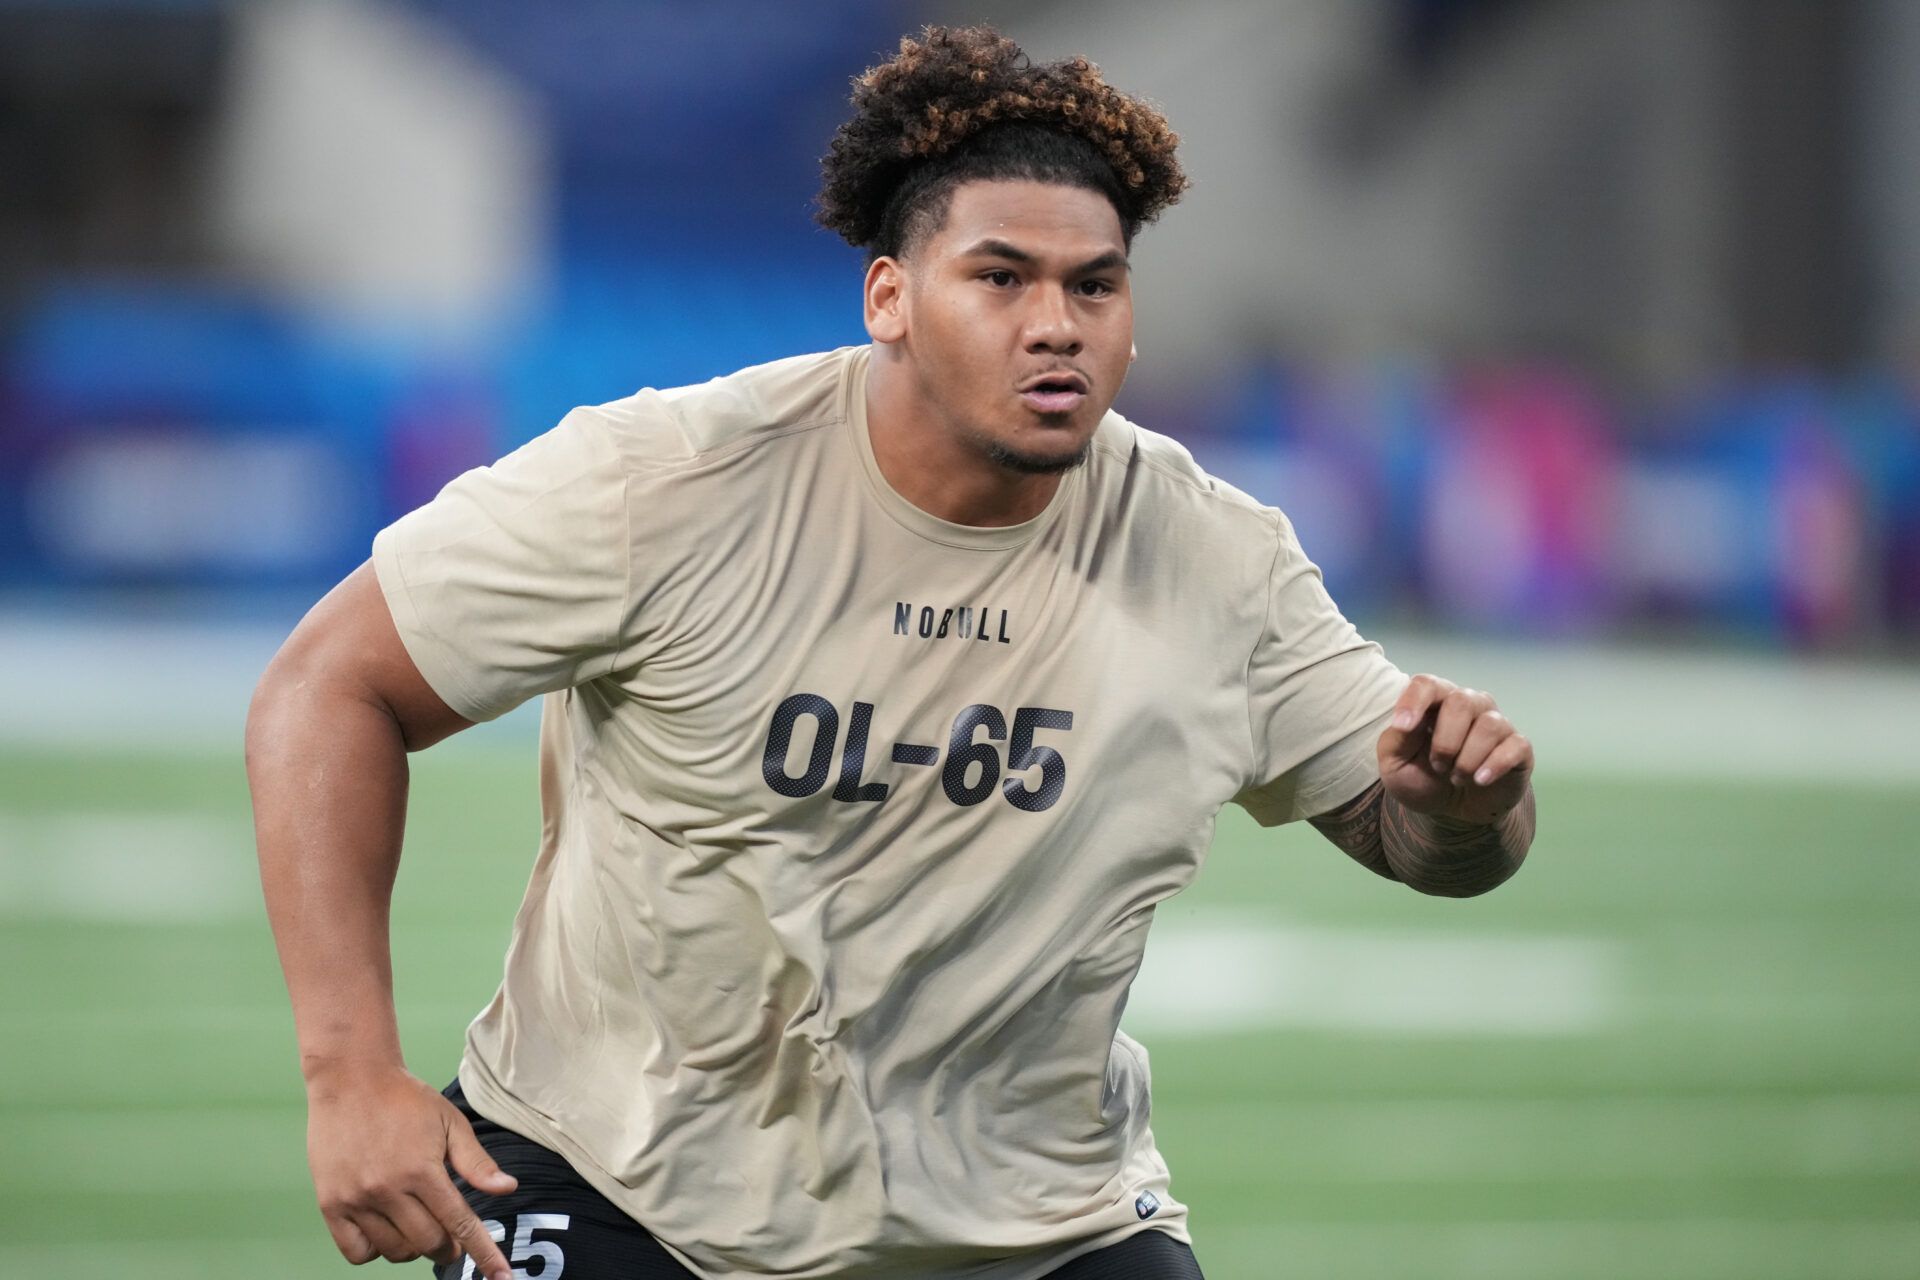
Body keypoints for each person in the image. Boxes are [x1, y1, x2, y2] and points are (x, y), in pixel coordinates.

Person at [246, 24, 1537, 1280]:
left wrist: (1464, 810)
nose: (1057, 325)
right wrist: (348, 1075)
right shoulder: (666, 482)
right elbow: (331, 682)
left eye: (1095, 284)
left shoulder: (1216, 556)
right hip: (620, 1187)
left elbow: (1420, 839)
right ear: (891, 297)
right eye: (1000, 278)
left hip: (1038, 1225)